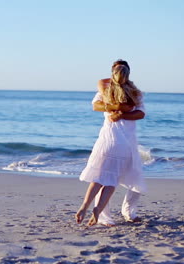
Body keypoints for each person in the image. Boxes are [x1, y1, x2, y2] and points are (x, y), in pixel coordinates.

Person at [75, 59, 146, 227]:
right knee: (112, 179)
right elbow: (138, 113)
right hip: (124, 143)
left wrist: (116, 112)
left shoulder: (107, 90)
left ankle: (87, 206)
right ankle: (100, 211)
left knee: (100, 177)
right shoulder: (133, 94)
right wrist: (117, 110)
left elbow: (96, 105)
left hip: (107, 141)